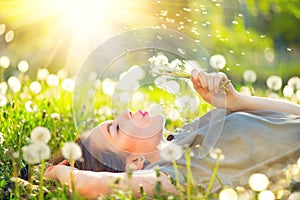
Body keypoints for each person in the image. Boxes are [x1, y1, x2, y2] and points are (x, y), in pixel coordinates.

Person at [45, 69, 300, 199]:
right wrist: (58, 173)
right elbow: (92, 186)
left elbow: (294, 116)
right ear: (134, 162)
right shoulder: (175, 172)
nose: (125, 113)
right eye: (117, 128)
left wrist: (235, 101)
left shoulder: (187, 135)